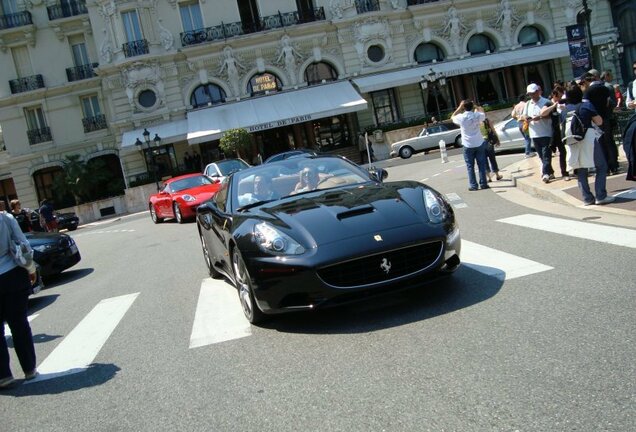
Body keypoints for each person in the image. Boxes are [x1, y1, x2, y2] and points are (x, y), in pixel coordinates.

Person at [0, 210, 38, 389]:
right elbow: (23, 244)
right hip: (12, 275)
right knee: (19, 325)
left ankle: (4, 375)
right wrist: (31, 269)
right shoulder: (5, 218)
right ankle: (29, 369)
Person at [570, 75, 614, 205]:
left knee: (581, 169)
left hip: (572, 141)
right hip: (588, 139)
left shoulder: (565, 109)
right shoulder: (586, 105)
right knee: (601, 166)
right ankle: (600, 195)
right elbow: (599, 121)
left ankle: (587, 198)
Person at [585, 69, 618, 175]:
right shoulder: (605, 88)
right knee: (609, 142)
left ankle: (606, 168)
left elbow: (587, 106)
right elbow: (609, 102)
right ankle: (614, 166)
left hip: (595, 119)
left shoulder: (588, 91)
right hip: (606, 117)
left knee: (601, 143)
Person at [451, 99, 488, 191]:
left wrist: (459, 107)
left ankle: (473, 185)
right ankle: (483, 183)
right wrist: (475, 106)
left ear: (464, 107)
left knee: (470, 166)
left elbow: (452, 117)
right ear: (472, 107)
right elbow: (483, 113)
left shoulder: (461, 117)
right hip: (479, 142)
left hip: (468, 144)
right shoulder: (477, 115)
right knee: (481, 164)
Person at [522, 83, 554, 183]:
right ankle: (550, 171)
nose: (531, 96)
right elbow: (523, 115)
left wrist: (540, 117)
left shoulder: (546, 102)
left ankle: (545, 173)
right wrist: (527, 118)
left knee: (546, 154)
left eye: (533, 93)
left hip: (546, 132)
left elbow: (552, 116)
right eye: (529, 94)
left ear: (537, 92)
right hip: (534, 133)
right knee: (541, 155)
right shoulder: (528, 104)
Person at [546, 86, 570, 181]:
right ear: (554, 95)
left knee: (563, 152)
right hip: (551, 133)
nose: (560, 99)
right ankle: (550, 172)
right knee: (549, 153)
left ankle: (565, 172)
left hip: (561, 133)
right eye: (559, 96)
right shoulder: (548, 104)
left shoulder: (561, 104)